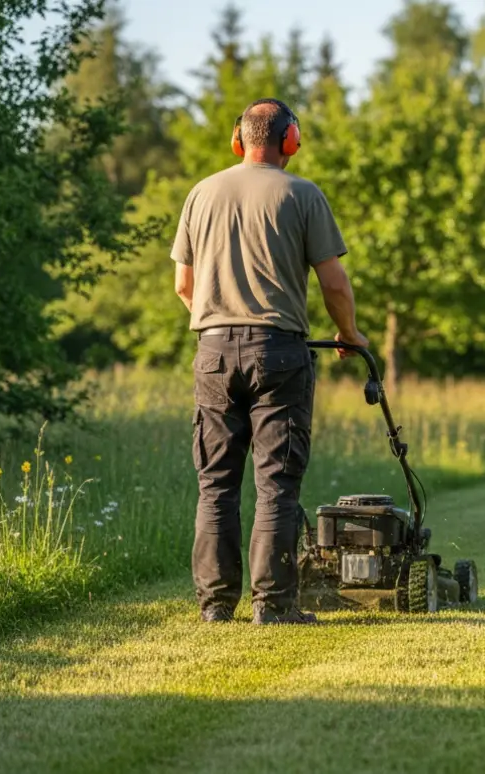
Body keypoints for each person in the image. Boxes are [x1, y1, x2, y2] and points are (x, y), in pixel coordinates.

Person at [171, 97, 368, 625]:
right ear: (290, 141)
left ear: (239, 140)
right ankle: (274, 606)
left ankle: (215, 606)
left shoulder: (201, 193)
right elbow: (333, 282)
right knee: (276, 482)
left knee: (216, 483)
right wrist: (349, 335)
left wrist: (217, 318)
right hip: (277, 351)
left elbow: (183, 285)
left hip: (211, 351)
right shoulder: (302, 194)